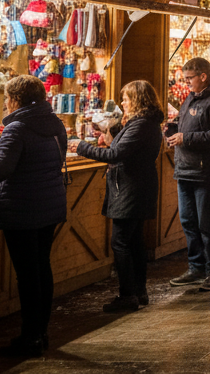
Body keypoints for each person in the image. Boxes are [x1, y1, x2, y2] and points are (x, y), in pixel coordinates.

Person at [0, 75, 67, 357]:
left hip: (23, 208)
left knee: (27, 274)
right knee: (41, 267)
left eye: (6, 98)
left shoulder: (16, 128)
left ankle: (30, 338)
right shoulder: (55, 123)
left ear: (14, 100)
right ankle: (41, 332)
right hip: (50, 205)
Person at [73, 80, 163, 312]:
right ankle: (138, 291)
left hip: (132, 188)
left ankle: (128, 295)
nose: (123, 102)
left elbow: (116, 154)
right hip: (136, 186)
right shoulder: (142, 123)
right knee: (133, 241)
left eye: (126, 98)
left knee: (120, 242)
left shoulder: (141, 124)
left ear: (138, 100)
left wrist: (81, 146)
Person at [167, 57, 210, 291]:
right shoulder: (191, 98)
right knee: (188, 221)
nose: (187, 84)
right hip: (184, 169)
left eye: (190, 79)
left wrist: (187, 138)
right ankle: (196, 268)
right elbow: (188, 126)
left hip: (206, 171)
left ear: (203, 76)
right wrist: (173, 129)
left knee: (206, 223)